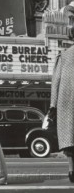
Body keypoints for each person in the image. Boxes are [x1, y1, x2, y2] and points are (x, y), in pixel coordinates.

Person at [49, 43, 74, 183]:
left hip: (67, 101)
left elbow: (56, 81)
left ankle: (72, 170)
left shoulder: (64, 55)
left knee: (69, 138)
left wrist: (53, 104)